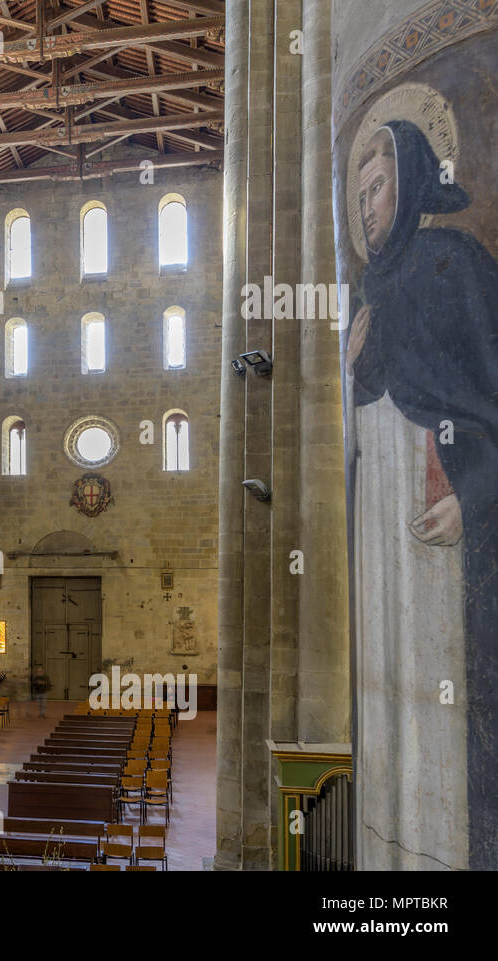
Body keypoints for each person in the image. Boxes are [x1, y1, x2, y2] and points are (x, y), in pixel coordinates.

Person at [346, 119, 498, 869]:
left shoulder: (455, 260)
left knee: (459, 734)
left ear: (410, 182)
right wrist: (356, 366)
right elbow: (369, 414)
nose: (368, 206)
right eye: (359, 193)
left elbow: (487, 400)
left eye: (378, 187)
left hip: (456, 533)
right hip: (386, 554)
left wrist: (473, 495)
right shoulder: (365, 295)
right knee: (397, 741)